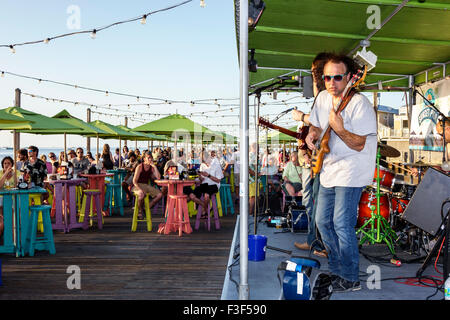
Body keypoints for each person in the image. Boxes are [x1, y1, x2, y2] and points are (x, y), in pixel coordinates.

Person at [305, 53, 377, 292]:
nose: (332, 83)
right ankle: (336, 270)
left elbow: (359, 144)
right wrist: (312, 134)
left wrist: (340, 129)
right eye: (327, 77)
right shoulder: (323, 98)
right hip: (329, 168)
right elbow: (316, 125)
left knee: (341, 223)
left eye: (337, 77)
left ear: (348, 77)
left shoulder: (360, 104)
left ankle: (350, 277)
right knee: (322, 221)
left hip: (353, 169)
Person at [292, 52, 331, 258]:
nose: (313, 76)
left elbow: (326, 121)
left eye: (315, 71)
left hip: (331, 165)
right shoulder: (320, 97)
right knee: (315, 204)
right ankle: (314, 241)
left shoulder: (328, 97)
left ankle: (323, 245)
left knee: (324, 210)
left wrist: (303, 117)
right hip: (320, 161)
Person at [132, 152, 162, 219]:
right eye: (148, 158)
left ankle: (147, 207)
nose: (150, 159)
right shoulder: (139, 167)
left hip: (146, 185)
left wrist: (154, 166)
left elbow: (158, 177)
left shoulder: (151, 167)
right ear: (144, 159)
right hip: (137, 185)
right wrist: (140, 189)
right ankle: (140, 212)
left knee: (160, 195)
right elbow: (134, 181)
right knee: (141, 194)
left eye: (151, 158)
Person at [0, 156, 19, 237]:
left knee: (12, 210)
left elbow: (19, 185)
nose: (6, 165)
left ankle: (11, 233)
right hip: (1, 197)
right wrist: (5, 174)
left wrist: (13, 174)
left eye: (9, 163)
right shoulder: (0, 173)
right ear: (2, 165)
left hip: (13, 197)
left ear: (12, 165)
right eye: (5, 163)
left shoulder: (16, 172)